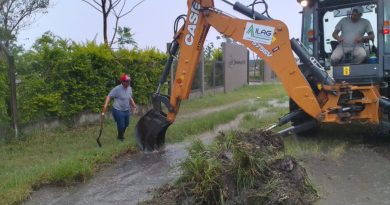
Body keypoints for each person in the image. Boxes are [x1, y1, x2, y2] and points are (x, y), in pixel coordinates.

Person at [101, 74, 138, 141]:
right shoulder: (117, 89)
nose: (129, 82)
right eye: (127, 81)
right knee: (121, 125)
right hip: (118, 110)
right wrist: (105, 106)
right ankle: (121, 138)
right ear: (122, 82)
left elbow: (129, 98)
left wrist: (134, 106)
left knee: (126, 124)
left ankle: (120, 136)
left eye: (129, 81)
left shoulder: (129, 88)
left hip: (126, 109)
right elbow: (109, 96)